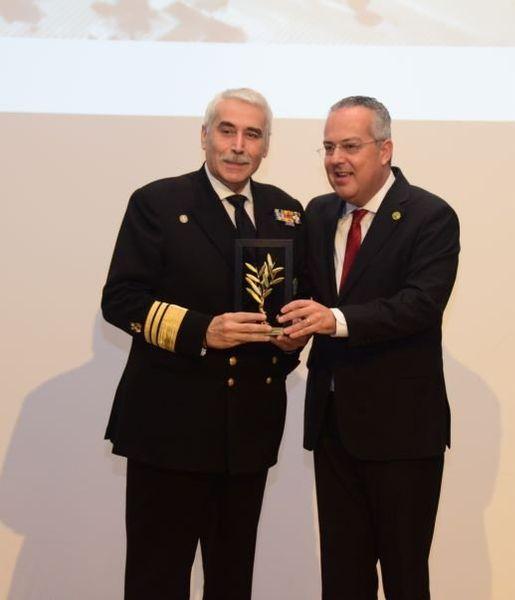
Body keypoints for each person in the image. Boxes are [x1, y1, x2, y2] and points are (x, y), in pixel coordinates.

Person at [102, 87, 306, 600]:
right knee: (156, 580)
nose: (238, 146)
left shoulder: (287, 212)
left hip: (249, 430)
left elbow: (292, 306)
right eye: (226, 131)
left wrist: (290, 344)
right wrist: (202, 331)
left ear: (266, 146)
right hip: (169, 428)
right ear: (204, 136)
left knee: (232, 582)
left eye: (252, 135)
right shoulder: (158, 202)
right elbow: (121, 301)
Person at [279, 96, 460, 600]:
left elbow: (420, 304)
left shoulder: (430, 216)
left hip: (403, 434)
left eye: (350, 146)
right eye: (328, 147)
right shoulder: (318, 214)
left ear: (385, 150)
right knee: (342, 579)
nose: (336, 159)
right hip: (333, 427)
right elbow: (305, 294)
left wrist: (333, 320)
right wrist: (290, 330)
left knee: (404, 577)